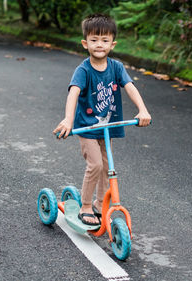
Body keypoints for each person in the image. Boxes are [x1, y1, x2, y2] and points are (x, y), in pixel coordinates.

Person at [53, 14, 151, 226]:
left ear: (112, 44)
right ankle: (86, 205)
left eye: (105, 40)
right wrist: (69, 120)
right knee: (95, 165)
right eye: (94, 40)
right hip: (86, 128)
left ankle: (99, 204)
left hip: (107, 127)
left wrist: (143, 110)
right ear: (85, 43)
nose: (99, 44)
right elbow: (74, 94)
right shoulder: (84, 70)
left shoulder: (116, 67)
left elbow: (130, 87)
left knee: (108, 167)